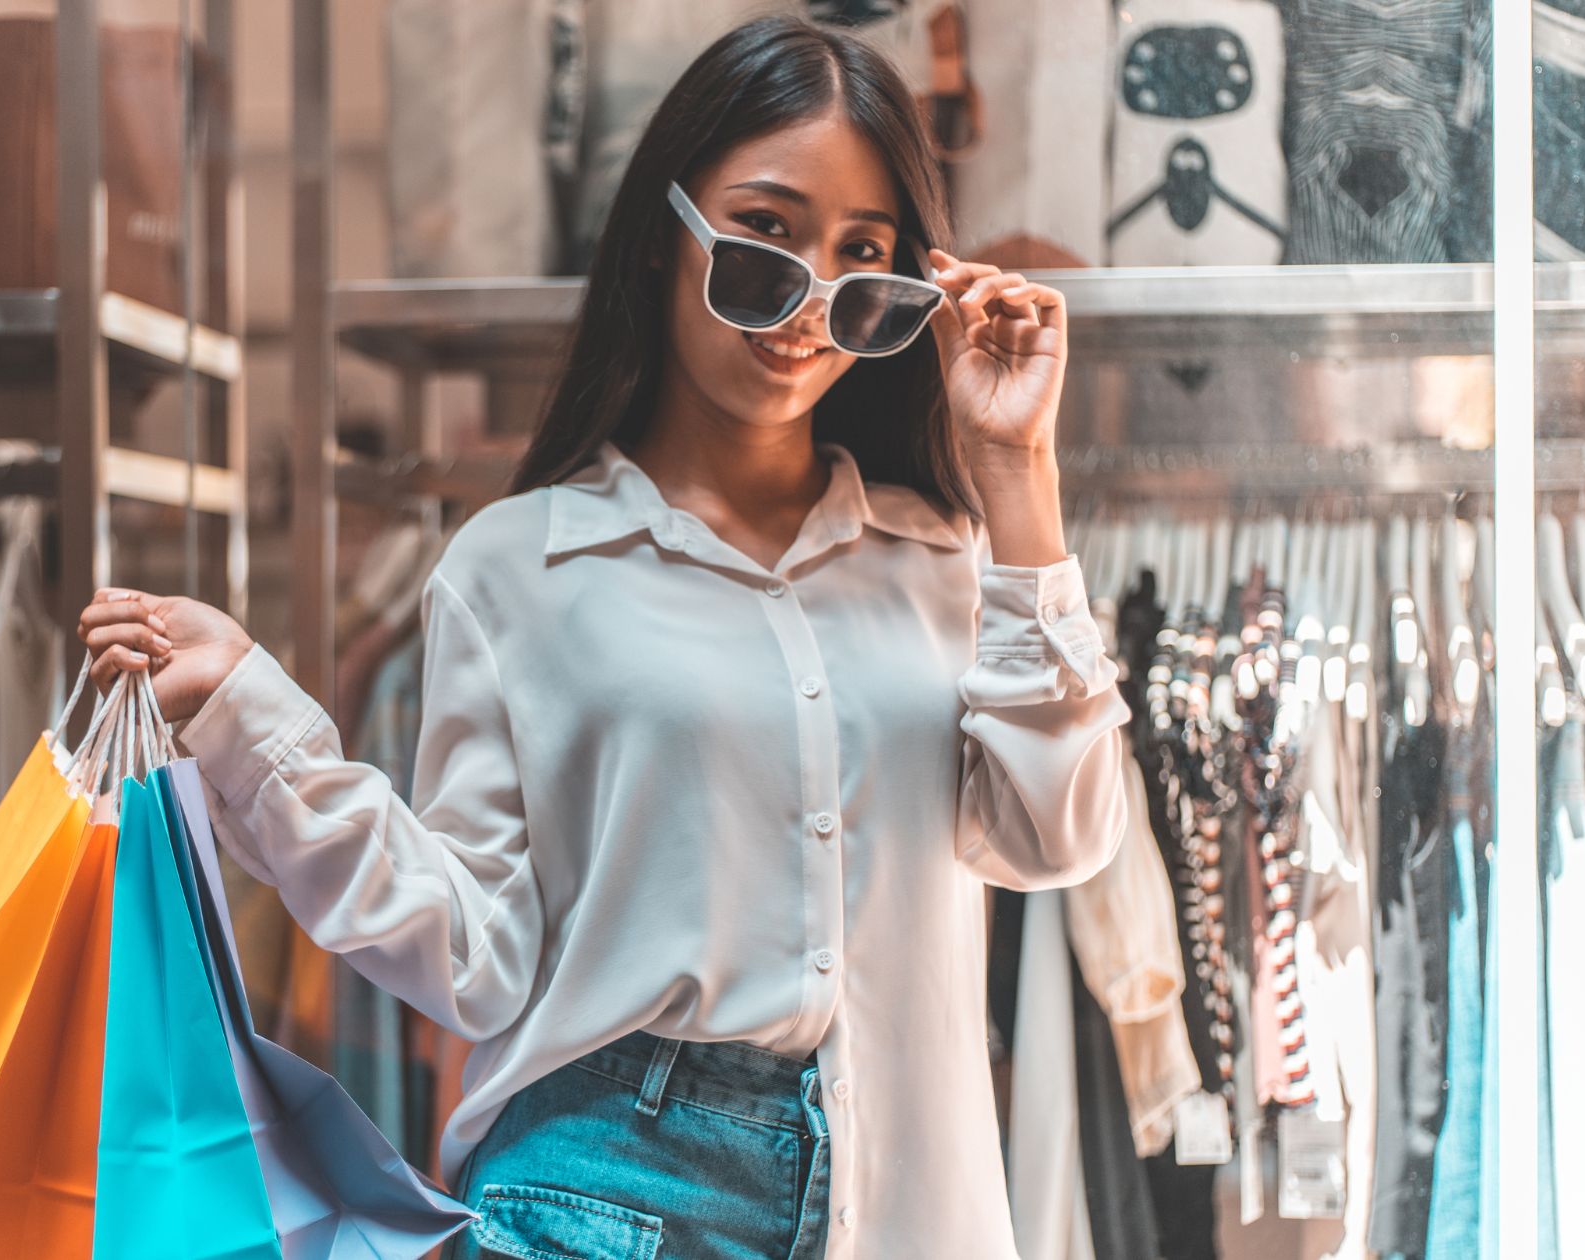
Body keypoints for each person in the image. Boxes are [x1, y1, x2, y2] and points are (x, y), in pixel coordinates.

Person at [80, 16, 1129, 1259]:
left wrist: (1014, 474)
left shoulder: (950, 564)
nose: (804, 305)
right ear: (658, 239)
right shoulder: (517, 566)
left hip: (903, 1203)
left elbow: (1053, 835)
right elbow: (475, 955)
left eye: (862, 267)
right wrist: (253, 714)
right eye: (763, 240)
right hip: (602, 1191)